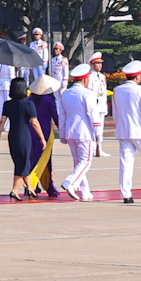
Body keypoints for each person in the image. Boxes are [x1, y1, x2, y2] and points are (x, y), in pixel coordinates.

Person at [110, 61, 141, 204]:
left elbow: (115, 112)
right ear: (137, 76)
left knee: (126, 163)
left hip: (123, 131)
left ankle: (126, 195)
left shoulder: (117, 90)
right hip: (140, 132)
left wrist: (118, 126)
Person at [0, 77, 44, 202]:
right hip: (24, 135)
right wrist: (42, 138)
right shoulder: (28, 104)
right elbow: (35, 123)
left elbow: (2, 121)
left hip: (13, 136)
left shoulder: (7, 104)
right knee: (24, 162)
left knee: (20, 161)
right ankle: (14, 190)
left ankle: (30, 188)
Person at [58, 63, 99, 200]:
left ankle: (85, 191)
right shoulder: (87, 94)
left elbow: (62, 115)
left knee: (78, 163)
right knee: (86, 161)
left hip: (70, 132)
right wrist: (98, 135)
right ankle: (71, 182)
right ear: (85, 79)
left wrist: (63, 134)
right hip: (84, 132)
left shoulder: (66, 93)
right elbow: (94, 115)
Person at [26, 74, 62, 198]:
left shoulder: (30, 99)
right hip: (45, 131)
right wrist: (62, 129)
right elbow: (55, 117)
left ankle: (42, 186)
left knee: (34, 157)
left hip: (32, 130)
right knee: (44, 159)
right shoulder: (49, 100)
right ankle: (32, 183)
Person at [87, 53, 109, 157]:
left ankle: (99, 148)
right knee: (93, 128)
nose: (100, 65)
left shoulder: (102, 76)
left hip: (101, 105)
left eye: (100, 63)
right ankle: (92, 148)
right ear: (92, 64)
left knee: (100, 128)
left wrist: (105, 106)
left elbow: (103, 93)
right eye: (97, 63)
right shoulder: (89, 77)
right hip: (93, 105)